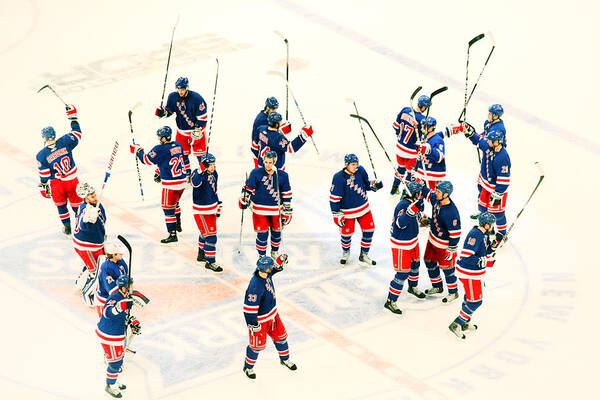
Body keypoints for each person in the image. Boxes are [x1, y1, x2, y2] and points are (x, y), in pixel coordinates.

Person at [444, 104, 507, 220]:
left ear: (496, 116)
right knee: (481, 187)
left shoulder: (499, 130)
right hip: (486, 159)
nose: (488, 115)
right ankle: (482, 211)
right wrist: (470, 131)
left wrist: (475, 137)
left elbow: (488, 142)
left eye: (490, 113)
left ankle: (490, 218)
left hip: (491, 161)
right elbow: (483, 138)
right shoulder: (488, 124)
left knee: (492, 198)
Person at [242, 255, 297, 379]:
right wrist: (252, 324)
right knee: (256, 346)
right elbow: (249, 307)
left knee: (281, 337)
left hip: (273, 315)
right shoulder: (255, 286)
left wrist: (280, 261)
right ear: (266, 269)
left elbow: (275, 269)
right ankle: (248, 367)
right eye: (271, 266)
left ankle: (285, 359)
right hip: (261, 321)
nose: (272, 267)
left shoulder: (265, 274)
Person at [130, 126, 187, 244]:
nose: (159, 139)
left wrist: (137, 151)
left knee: (167, 209)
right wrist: (158, 171)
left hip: (170, 184)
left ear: (165, 138)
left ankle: (172, 234)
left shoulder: (160, 149)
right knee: (175, 203)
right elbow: (167, 160)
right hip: (182, 182)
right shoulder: (178, 145)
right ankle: (178, 224)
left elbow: (146, 160)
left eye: (160, 137)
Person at [36, 104, 83, 235]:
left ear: (44, 138)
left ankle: (67, 228)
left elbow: (44, 175)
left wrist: (43, 185)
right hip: (72, 180)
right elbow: (77, 134)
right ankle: (81, 227)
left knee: (61, 206)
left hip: (57, 183)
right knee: (77, 206)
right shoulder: (66, 141)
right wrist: (72, 118)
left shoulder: (42, 155)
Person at [448, 212, 496, 339]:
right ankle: (457, 323)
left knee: (470, 298)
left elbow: (483, 250)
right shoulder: (475, 234)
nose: (492, 227)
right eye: (491, 224)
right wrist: (484, 261)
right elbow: (466, 255)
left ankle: (465, 322)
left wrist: (493, 246)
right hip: (468, 273)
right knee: (476, 301)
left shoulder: (483, 234)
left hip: (473, 273)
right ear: (486, 225)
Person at [329, 154, 382, 266]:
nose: (355, 167)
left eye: (356, 164)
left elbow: (367, 185)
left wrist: (375, 185)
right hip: (348, 212)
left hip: (364, 208)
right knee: (346, 235)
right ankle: (346, 252)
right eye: (353, 164)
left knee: (369, 230)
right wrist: (336, 214)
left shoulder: (360, 170)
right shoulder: (338, 177)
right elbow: (334, 198)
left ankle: (364, 255)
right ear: (346, 164)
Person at [239, 151, 292, 259]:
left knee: (277, 233)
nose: (267, 165)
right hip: (259, 210)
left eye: (270, 162)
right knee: (262, 234)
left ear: (275, 162)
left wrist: (287, 211)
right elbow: (248, 189)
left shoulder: (283, 176)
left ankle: (274, 252)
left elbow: (286, 194)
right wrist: (244, 198)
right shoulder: (256, 173)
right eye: (266, 162)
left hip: (277, 210)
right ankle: (262, 255)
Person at [384, 180, 427, 315]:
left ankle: (412, 287)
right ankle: (390, 301)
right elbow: (400, 223)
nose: (421, 195)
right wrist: (413, 209)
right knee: (402, 273)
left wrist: (424, 220)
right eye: (419, 193)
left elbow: (417, 219)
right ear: (414, 193)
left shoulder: (413, 203)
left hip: (412, 241)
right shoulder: (403, 205)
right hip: (402, 244)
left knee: (415, 265)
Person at [96, 275, 141, 398]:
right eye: (130, 285)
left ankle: (114, 379)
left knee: (119, 358)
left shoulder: (126, 296)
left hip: (118, 334)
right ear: (124, 288)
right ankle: (110, 385)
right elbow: (107, 312)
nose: (133, 287)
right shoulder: (115, 297)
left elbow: (126, 314)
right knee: (115, 363)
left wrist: (133, 321)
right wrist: (120, 307)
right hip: (109, 335)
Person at [464, 126, 511, 239]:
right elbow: (479, 140)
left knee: (498, 214)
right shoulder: (489, 147)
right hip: (485, 186)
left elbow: (504, 179)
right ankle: (488, 228)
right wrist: (470, 134)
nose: (487, 141)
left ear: (497, 142)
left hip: (496, 191)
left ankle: (502, 234)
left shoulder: (503, 157)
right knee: (483, 208)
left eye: (490, 140)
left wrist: (498, 193)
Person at [155, 77, 208, 172]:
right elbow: (169, 111)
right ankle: (187, 174)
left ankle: (204, 174)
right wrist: (163, 112)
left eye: (182, 89)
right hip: (182, 132)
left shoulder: (197, 98)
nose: (180, 92)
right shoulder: (172, 97)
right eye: (178, 89)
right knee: (182, 155)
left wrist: (198, 128)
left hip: (196, 132)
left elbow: (203, 118)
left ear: (187, 88)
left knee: (201, 155)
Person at [420, 181, 462, 303]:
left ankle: (453, 292)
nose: (436, 193)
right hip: (432, 239)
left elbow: (456, 233)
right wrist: (418, 182)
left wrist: (452, 248)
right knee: (428, 261)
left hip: (444, 246)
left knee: (447, 269)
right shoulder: (436, 200)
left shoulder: (451, 212)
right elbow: (426, 192)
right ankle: (437, 286)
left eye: (438, 192)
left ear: (446, 194)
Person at [389, 95, 429, 195]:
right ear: (424, 107)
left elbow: (395, 126)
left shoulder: (405, 110)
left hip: (399, 148)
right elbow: (424, 139)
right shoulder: (422, 120)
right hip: (411, 153)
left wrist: (400, 135)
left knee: (400, 169)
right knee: (411, 174)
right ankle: (405, 193)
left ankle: (394, 189)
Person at [190, 153, 223, 272]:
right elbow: (194, 183)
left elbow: (214, 190)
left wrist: (218, 204)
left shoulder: (214, 173)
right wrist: (200, 170)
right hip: (201, 210)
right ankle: (210, 261)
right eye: (210, 165)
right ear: (204, 165)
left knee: (205, 233)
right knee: (211, 236)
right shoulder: (197, 173)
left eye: (214, 165)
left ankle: (201, 254)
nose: (212, 167)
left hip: (211, 209)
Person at [73, 182, 106, 296]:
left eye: (94, 194)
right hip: (86, 247)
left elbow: (103, 220)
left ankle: (81, 280)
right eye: (92, 196)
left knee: (101, 264)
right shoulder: (84, 209)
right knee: (96, 271)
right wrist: (88, 219)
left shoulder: (98, 205)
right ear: (86, 199)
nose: (95, 197)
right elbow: (82, 225)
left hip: (95, 244)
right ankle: (89, 292)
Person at [414, 116, 447, 227]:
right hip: (423, 172)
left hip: (434, 175)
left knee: (436, 198)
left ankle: (439, 219)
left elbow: (439, 157)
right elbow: (419, 155)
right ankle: (421, 217)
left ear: (431, 127)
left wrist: (428, 149)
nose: (422, 129)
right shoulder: (423, 138)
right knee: (418, 195)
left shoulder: (438, 140)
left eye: (425, 127)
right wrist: (415, 169)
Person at [95, 241, 129, 318]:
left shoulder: (119, 261)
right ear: (114, 255)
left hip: (119, 297)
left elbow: (125, 274)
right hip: (106, 301)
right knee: (108, 323)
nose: (122, 254)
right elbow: (111, 289)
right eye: (120, 253)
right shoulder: (106, 268)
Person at [251, 97, 279, 167]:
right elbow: (271, 135)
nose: (274, 111)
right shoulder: (263, 120)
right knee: (260, 175)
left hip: (262, 150)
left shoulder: (267, 116)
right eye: (273, 109)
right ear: (267, 108)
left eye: (275, 108)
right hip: (259, 152)